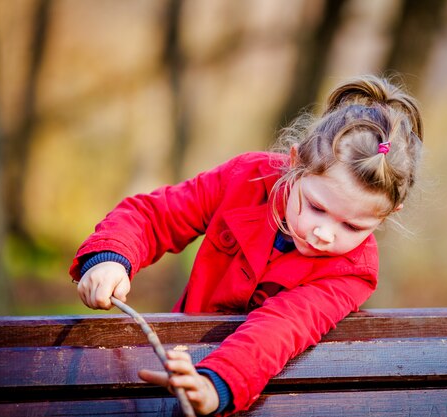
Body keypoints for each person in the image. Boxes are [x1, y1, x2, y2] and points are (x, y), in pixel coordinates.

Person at [70, 74, 424, 416]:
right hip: (182, 351)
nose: (324, 233)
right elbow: (157, 215)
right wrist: (111, 257)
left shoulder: (353, 273)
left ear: (388, 215)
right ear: (296, 163)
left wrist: (217, 384)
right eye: (316, 207)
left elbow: (282, 327)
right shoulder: (246, 178)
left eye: (352, 225)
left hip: (257, 393)